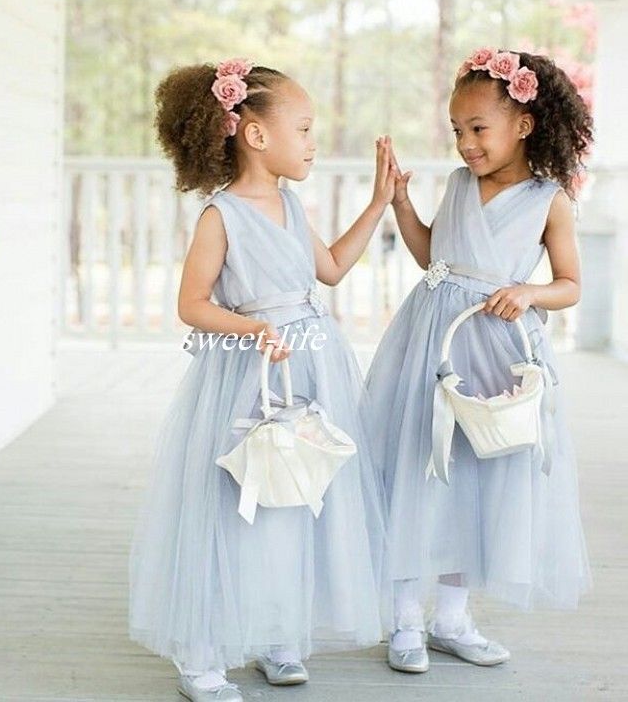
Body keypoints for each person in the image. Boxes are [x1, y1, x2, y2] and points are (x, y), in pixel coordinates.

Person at [129, 58, 393, 701]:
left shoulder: (290, 202)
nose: (312, 142)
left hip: (310, 361)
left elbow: (327, 269)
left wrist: (380, 203)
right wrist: (251, 332)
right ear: (255, 135)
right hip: (251, 369)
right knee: (235, 500)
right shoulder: (222, 215)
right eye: (303, 128)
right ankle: (202, 654)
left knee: (297, 492)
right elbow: (193, 304)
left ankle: (277, 629)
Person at [361, 48, 593, 674]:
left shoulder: (550, 199)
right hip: (433, 341)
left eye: (478, 129)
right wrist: (401, 204)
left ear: (524, 125)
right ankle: (404, 620)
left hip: (496, 344)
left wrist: (530, 292)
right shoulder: (460, 184)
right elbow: (433, 257)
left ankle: (454, 617)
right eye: (457, 131)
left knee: (478, 474)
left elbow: (569, 283)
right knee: (419, 467)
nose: (465, 144)